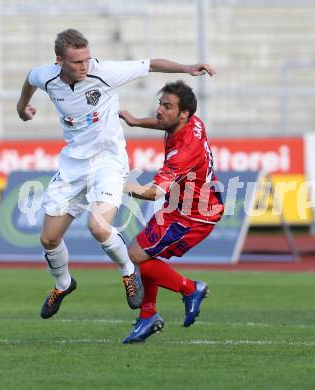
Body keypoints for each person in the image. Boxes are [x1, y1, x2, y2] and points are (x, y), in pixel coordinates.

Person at [16, 29, 216, 319]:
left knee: (98, 226)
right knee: (48, 239)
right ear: (59, 61)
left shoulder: (104, 72)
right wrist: (22, 107)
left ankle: (128, 272)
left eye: (87, 59)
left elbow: (149, 64)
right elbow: (29, 80)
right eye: (77, 62)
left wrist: (187, 68)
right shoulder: (45, 76)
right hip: (72, 164)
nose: (85, 66)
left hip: (108, 160)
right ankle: (64, 284)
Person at [119, 80, 224, 343]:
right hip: (181, 207)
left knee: (134, 256)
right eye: (160, 104)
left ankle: (189, 289)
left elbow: (155, 191)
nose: (160, 111)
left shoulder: (184, 151)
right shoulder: (191, 121)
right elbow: (165, 123)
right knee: (141, 252)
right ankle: (148, 317)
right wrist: (134, 121)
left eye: (167, 107)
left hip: (193, 216)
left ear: (183, 113)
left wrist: (119, 186)